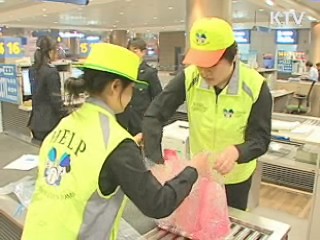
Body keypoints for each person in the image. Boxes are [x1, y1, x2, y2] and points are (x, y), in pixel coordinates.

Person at [22, 43, 210, 240]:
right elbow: (157, 203)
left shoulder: (64, 125)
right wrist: (193, 169)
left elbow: (90, 162)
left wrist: (128, 148)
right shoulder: (116, 143)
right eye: (131, 89)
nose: (131, 97)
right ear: (115, 87)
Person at [142, 17, 272, 211]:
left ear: (232, 56)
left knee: (228, 227)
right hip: (200, 173)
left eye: (211, 65)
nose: (203, 71)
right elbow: (155, 114)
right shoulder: (190, 77)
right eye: (199, 64)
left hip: (235, 179)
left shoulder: (255, 86)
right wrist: (156, 162)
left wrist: (237, 151)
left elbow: (260, 139)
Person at [117, 37, 162, 135]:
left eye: (135, 51)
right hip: (124, 120)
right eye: (130, 51)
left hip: (141, 121)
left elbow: (158, 98)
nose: (132, 54)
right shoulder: (123, 72)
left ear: (143, 52)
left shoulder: (149, 73)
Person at [27, 36, 67, 143]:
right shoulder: (51, 72)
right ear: (50, 52)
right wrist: (68, 114)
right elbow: (56, 101)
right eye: (56, 50)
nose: (57, 53)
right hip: (49, 123)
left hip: (36, 121)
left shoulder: (33, 69)